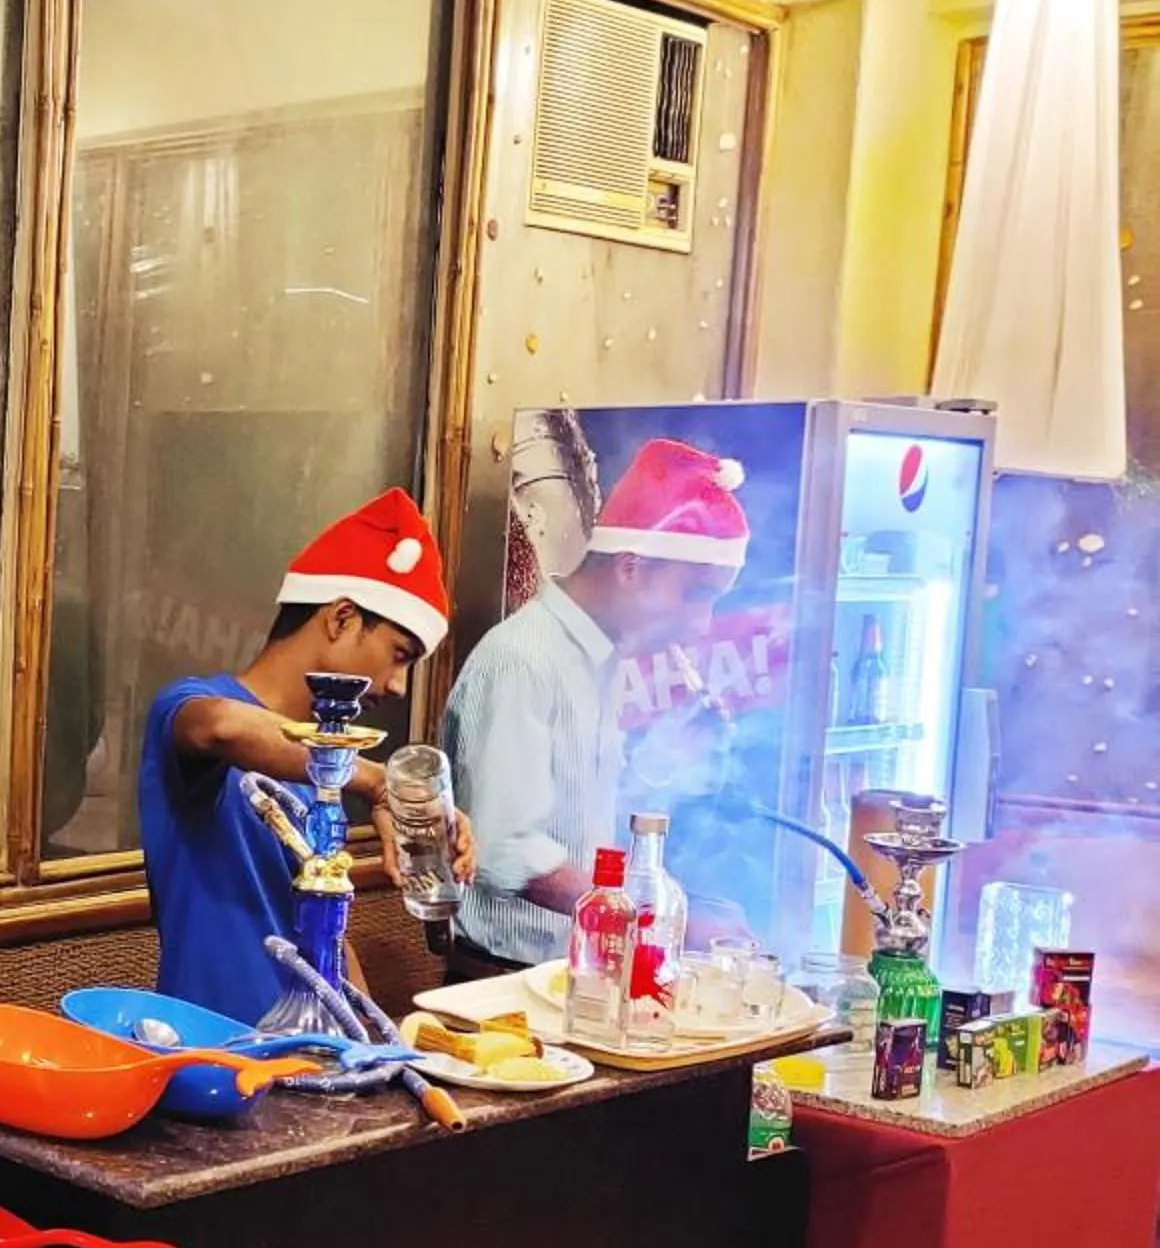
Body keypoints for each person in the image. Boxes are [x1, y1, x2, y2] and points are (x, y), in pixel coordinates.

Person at [139, 488, 471, 1026]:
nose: (397, 685)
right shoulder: (189, 708)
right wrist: (376, 780)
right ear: (341, 617)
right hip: (220, 1050)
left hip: (316, 1052)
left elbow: (323, 938)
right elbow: (222, 728)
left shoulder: (309, 760)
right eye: (399, 655)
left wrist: (374, 1043)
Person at [443, 437, 749, 974]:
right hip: (504, 975)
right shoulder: (524, 660)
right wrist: (651, 919)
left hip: (574, 966)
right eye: (695, 595)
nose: (701, 624)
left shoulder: (601, 661)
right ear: (630, 567)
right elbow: (504, 845)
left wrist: (674, 760)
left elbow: (577, 814)